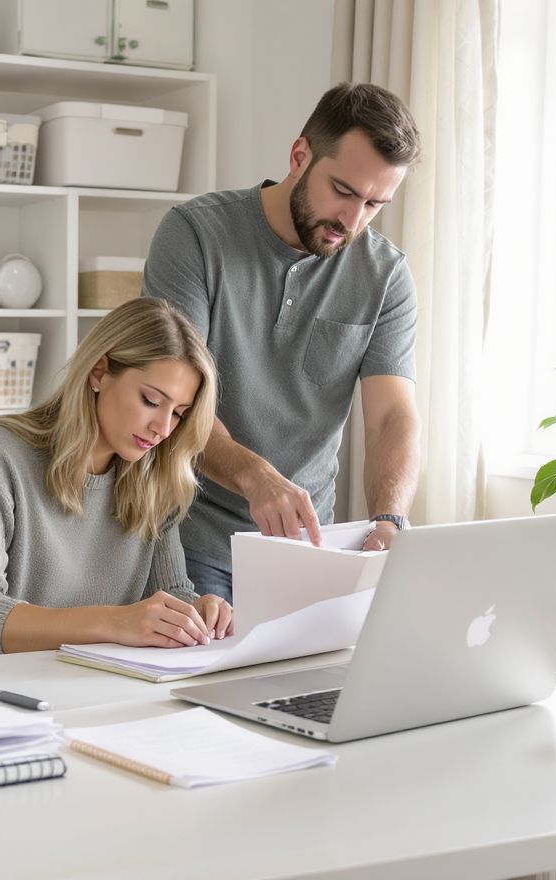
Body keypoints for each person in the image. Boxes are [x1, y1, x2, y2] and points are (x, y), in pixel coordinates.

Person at [143, 82, 423, 603]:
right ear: (300, 156)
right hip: (189, 541)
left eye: (374, 204)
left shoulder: (385, 275)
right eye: (343, 191)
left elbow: (392, 418)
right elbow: (171, 402)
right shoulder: (195, 236)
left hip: (308, 549)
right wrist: (254, 476)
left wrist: (389, 518)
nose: (352, 220)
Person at [0, 297, 232, 662]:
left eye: (179, 415)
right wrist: (114, 622)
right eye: (151, 401)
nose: (163, 428)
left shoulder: (155, 476)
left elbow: (169, 591)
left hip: (67, 682)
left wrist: (196, 612)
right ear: (99, 372)